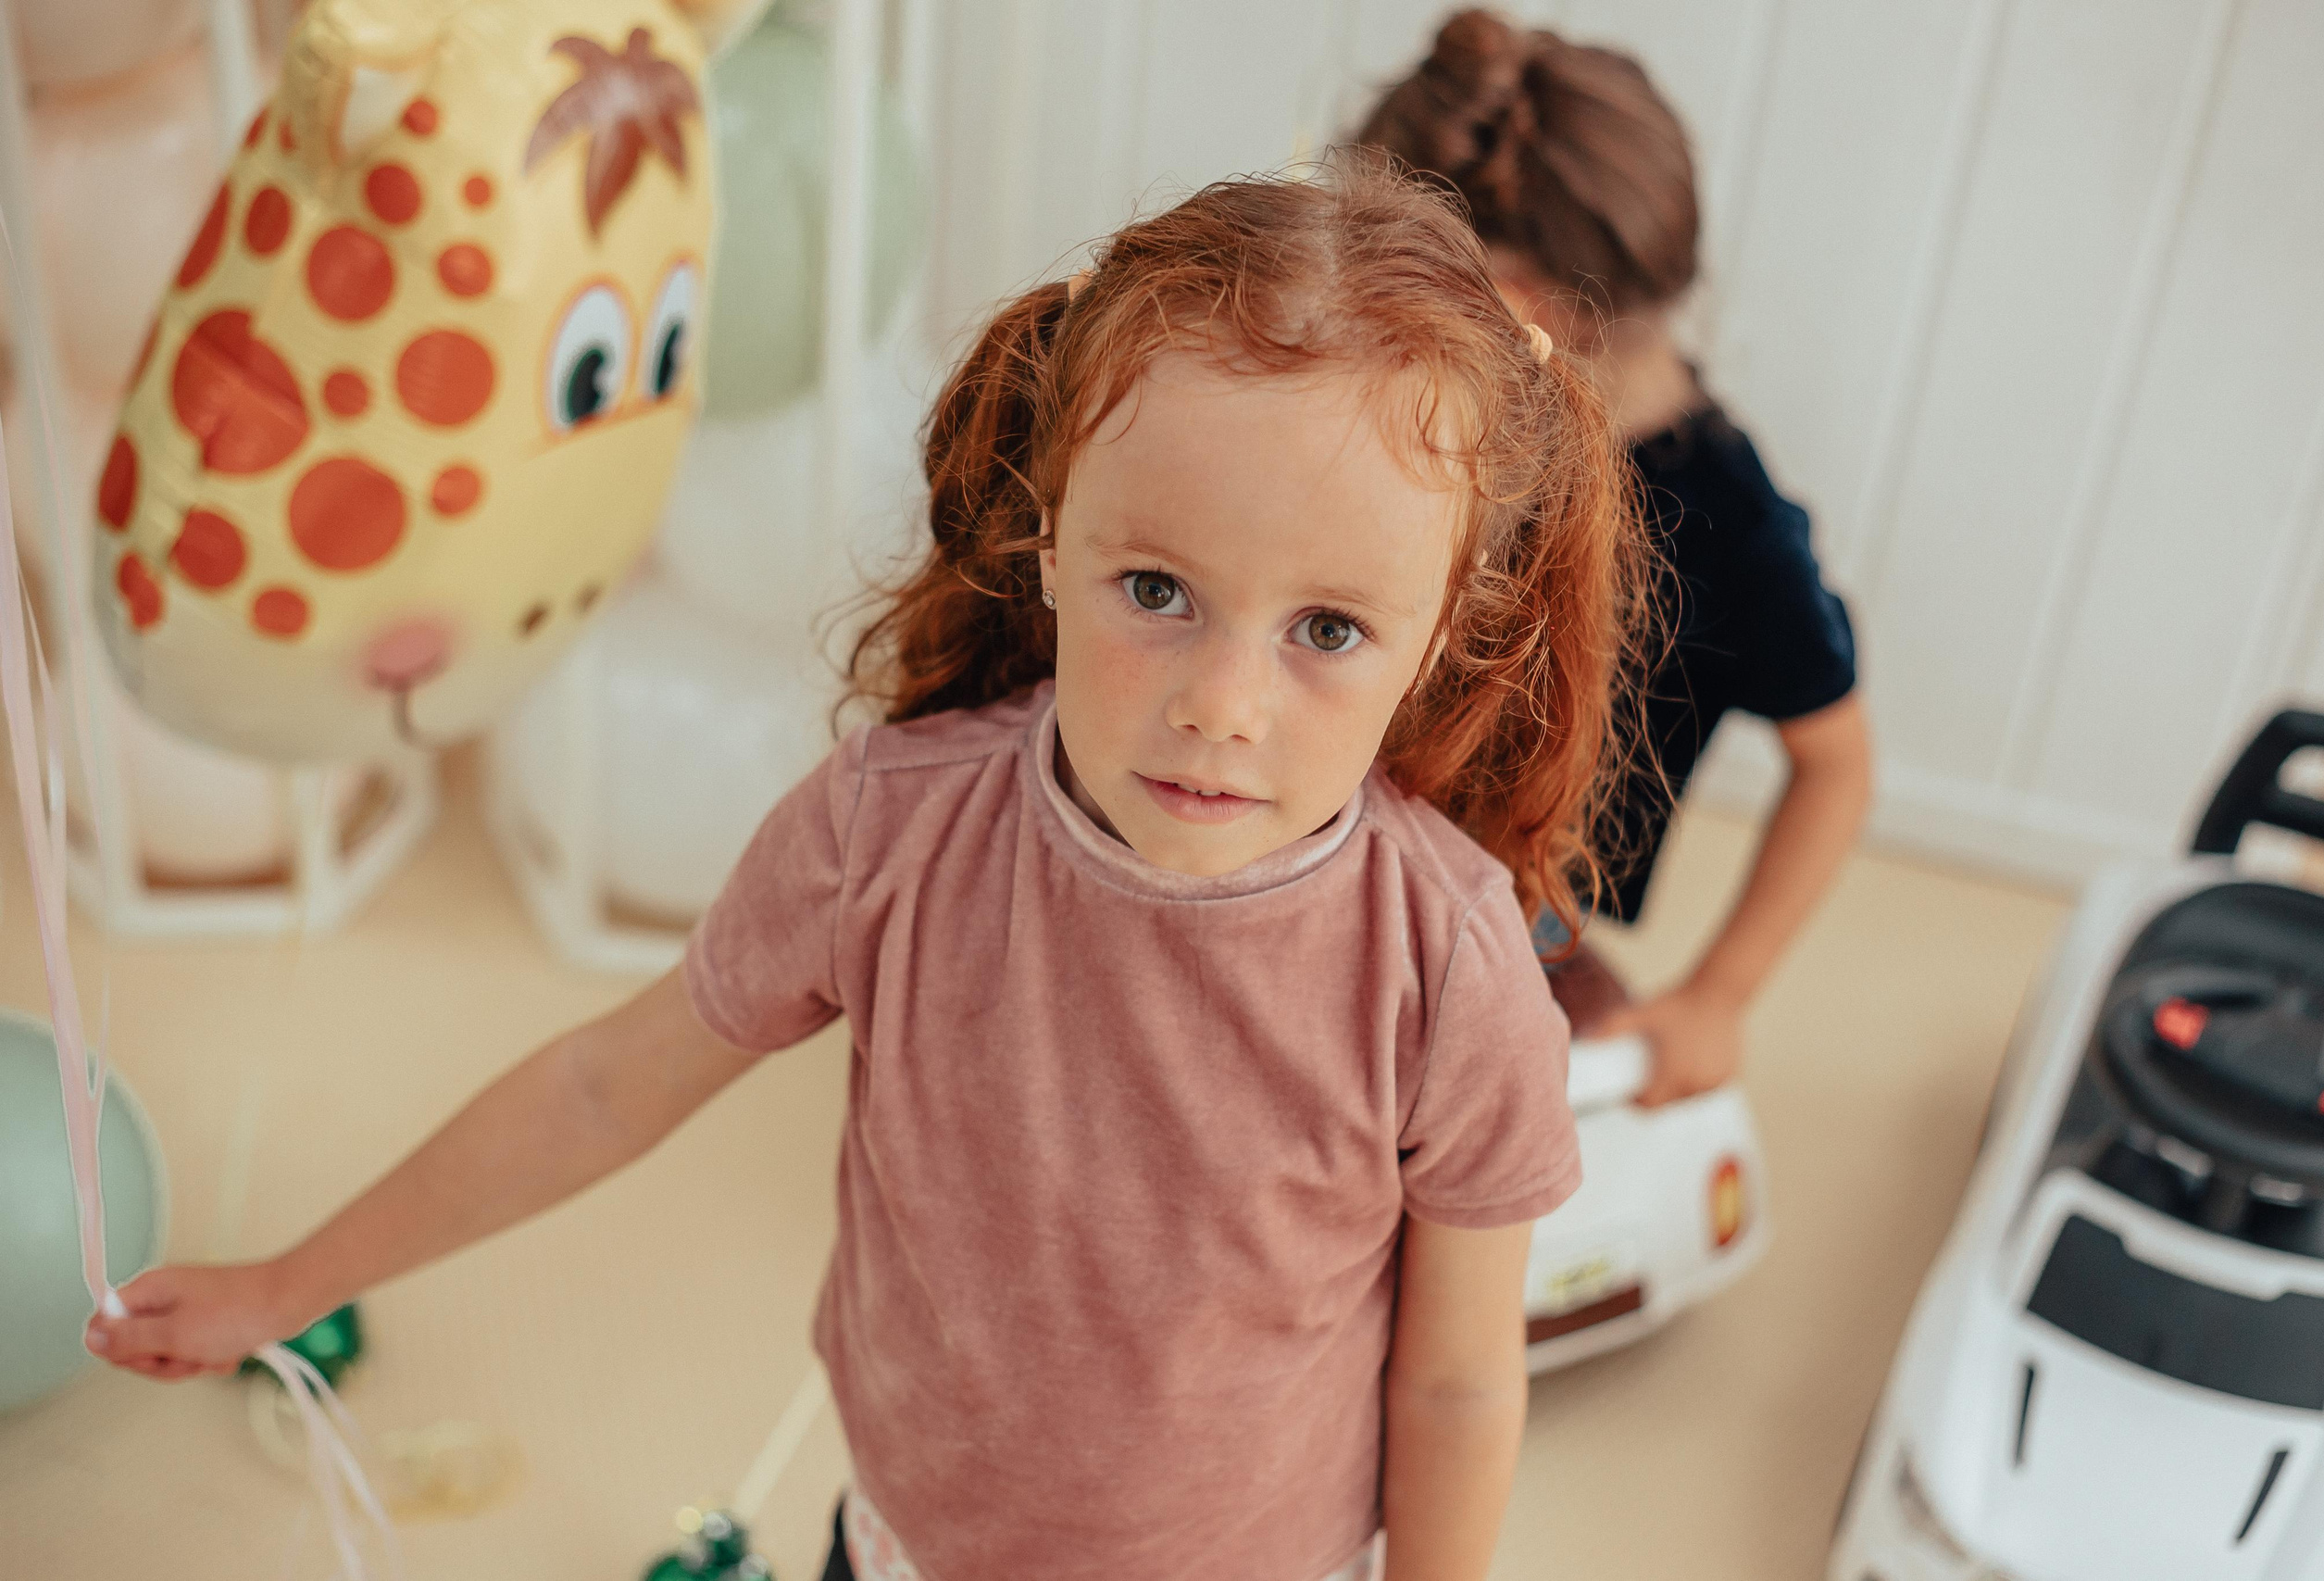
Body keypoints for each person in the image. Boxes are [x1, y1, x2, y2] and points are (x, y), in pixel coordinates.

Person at [83, 158, 1653, 1581]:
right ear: (1051, 542)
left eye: (1326, 630)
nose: (1223, 704)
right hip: (906, 1544)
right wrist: (285, 1281)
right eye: (1157, 587)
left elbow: (1454, 1378)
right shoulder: (889, 832)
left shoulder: (1445, 965)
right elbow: (600, 1089)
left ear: (1443, 634)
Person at [1359, 9, 1876, 1108]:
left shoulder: (1729, 529)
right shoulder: (1387, 414)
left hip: (1502, 915)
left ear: (1515, 306)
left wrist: (1718, 996)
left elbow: (1836, 763)